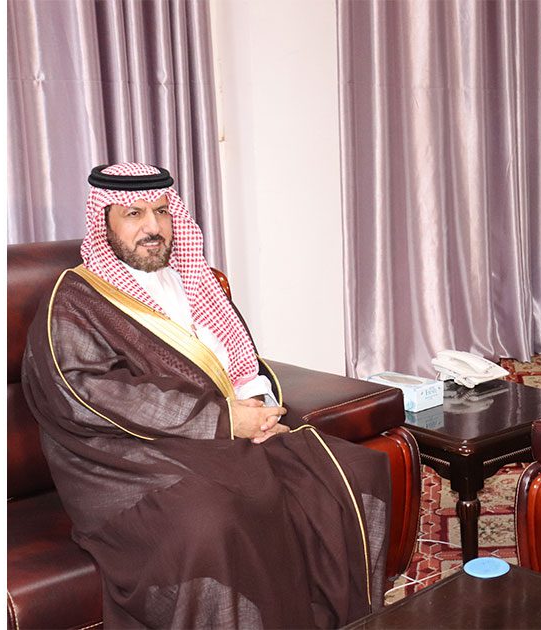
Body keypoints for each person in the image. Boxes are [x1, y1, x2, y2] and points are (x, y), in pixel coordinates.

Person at [21, 162, 390, 629]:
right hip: (123, 459)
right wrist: (223, 420)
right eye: (134, 214)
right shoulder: (76, 298)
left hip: (214, 435)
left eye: (161, 211)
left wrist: (257, 408)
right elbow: (88, 392)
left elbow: (236, 357)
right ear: (104, 222)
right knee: (212, 518)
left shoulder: (190, 278)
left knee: (351, 471)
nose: (153, 227)